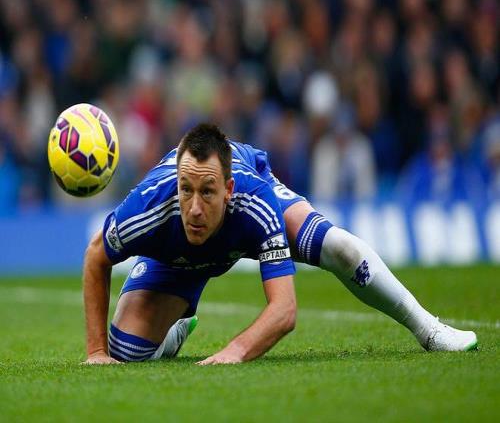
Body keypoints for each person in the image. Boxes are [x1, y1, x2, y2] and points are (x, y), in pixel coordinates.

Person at [83, 123, 477, 365]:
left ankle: (429, 329)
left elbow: (284, 310)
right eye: (186, 190)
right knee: (125, 352)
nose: (195, 208)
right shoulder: (150, 205)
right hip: (178, 258)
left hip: (241, 224)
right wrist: (96, 353)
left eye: (208, 192)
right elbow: (97, 255)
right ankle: (176, 329)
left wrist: (236, 350)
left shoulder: (255, 201)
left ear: (228, 190)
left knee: (339, 248)